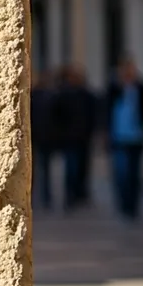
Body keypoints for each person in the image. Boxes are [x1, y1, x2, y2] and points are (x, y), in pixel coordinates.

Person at [106, 57, 143, 220]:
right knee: (121, 173)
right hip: (119, 138)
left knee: (134, 174)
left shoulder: (141, 89)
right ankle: (123, 203)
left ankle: (133, 206)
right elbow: (105, 110)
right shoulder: (114, 89)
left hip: (136, 137)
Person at [52, 65, 97, 211]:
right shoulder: (63, 95)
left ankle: (80, 193)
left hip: (83, 138)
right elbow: (56, 116)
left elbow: (93, 114)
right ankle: (71, 195)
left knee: (82, 167)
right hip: (69, 139)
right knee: (71, 167)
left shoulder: (86, 95)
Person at [31, 70, 58, 210]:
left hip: (43, 137)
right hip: (39, 137)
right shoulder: (36, 96)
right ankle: (41, 197)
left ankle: (43, 197)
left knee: (41, 169)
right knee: (39, 169)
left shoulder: (48, 96)